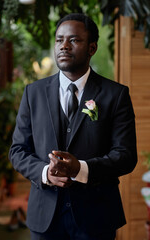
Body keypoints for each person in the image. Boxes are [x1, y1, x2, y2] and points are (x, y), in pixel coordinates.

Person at [9, 13, 137, 240]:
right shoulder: (33, 93)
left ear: (92, 48)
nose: (64, 46)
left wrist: (81, 169)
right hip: (45, 217)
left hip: (97, 217)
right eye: (59, 40)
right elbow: (18, 151)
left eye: (74, 40)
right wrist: (45, 173)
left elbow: (126, 155)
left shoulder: (115, 95)